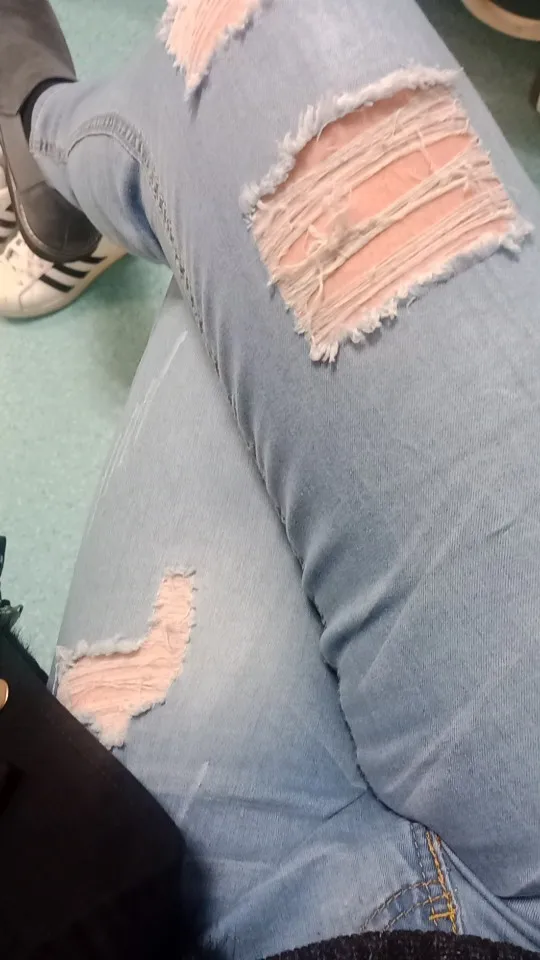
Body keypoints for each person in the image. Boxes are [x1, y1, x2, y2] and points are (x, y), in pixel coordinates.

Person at [2, 0, 540, 957]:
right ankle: (50, 137)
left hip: (180, 909)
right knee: (265, 52)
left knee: (232, 210)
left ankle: (44, 139)